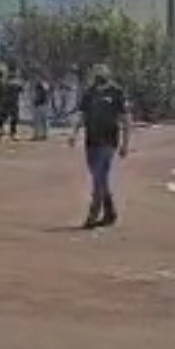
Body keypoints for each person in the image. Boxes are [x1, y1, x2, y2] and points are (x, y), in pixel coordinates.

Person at [69, 63, 130, 229]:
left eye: (101, 73)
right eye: (95, 73)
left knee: (98, 175)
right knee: (99, 177)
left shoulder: (116, 92)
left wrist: (125, 143)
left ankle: (93, 213)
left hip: (109, 141)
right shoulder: (89, 93)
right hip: (91, 141)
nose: (98, 76)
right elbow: (82, 115)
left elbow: (125, 118)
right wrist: (74, 134)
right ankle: (110, 211)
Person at [31, 76, 51, 141]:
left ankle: (45, 134)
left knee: (44, 120)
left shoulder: (45, 85)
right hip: (37, 105)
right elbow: (36, 94)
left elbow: (46, 90)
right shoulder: (37, 86)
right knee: (36, 121)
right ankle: (36, 134)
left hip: (43, 105)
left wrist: (42, 83)